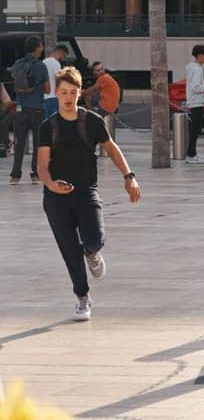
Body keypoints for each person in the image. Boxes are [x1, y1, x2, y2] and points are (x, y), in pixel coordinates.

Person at [37, 65, 141, 321]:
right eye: (63, 93)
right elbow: (41, 164)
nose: (68, 97)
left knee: (94, 238)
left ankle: (92, 252)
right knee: (69, 249)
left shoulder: (92, 121)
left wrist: (129, 178)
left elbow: (112, 148)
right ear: (57, 94)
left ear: (80, 92)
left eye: (73, 92)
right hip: (55, 198)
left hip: (85, 192)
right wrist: (51, 185)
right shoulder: (48, 127)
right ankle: (82, 297)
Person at [10, 35, 49, 184]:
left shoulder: (18, 63)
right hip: (37, 108)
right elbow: (47, 89)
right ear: (37, 48)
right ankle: (35, 175)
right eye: (41, 46)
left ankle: (15, 175)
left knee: (20, 142)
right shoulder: (40, 65)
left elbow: (16, 85)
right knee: (38, 142)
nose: (42, 48)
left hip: (21, 107)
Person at [184, 44, 204, 162]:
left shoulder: (191, 68)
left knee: (194, 130)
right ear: (200, 55)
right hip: (197, 103)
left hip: (193, 102)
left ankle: (192, 154)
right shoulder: (197, 69)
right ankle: (191, 155)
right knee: (195, 130)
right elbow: (196, 87)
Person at [86, 62, 121, 138]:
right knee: (92, 96)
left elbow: (91, 90)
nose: (100, 71)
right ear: (94, 72)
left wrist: (81, 92)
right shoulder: (107, 77)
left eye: (101, 69)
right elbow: (95, 91)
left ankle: (93, 125)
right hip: (113, 107)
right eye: (98, 70)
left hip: (106, 108)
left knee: (88, 117)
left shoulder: (103, 78)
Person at [43, 46, 64, 121]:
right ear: (60, 53)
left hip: (44, 98)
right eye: (63, 56)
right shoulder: (56, 63)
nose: (63, 58)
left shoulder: (43, 62)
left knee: (47, 123)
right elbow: (58, 80)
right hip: (54, 97)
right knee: (56, 123)